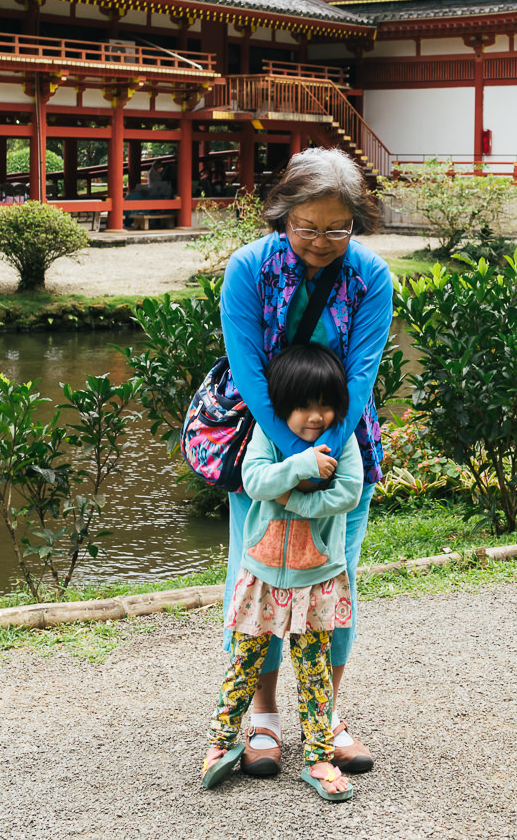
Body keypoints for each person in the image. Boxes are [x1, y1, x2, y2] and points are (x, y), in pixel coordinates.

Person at [219, 147, 391, 777]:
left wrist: (327, 457)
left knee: (334, 583)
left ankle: (327, 716)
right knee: (258, 584)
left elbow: (365, 373)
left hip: (345, 449)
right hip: (263, 447)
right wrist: (294, 461)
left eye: (337, 229)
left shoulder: (371, 276)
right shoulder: (248, 269)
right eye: (306, 227)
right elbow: (246, 371)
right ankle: (261, 715)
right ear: (281, 215)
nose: (321, 242)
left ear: (358, 222)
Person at [202, 343, 360, 802]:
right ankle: (219, 744)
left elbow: (349, 491)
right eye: (303, 406)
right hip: (262, 576)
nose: (316, 416)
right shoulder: (267, 437)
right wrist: (301, 466)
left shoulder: (342, 438)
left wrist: (297, 500)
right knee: (243, 664)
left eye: (325, 404)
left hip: (317, 579)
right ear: (280, 406)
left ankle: (319, 757)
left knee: (312, 670)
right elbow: (256, 482)